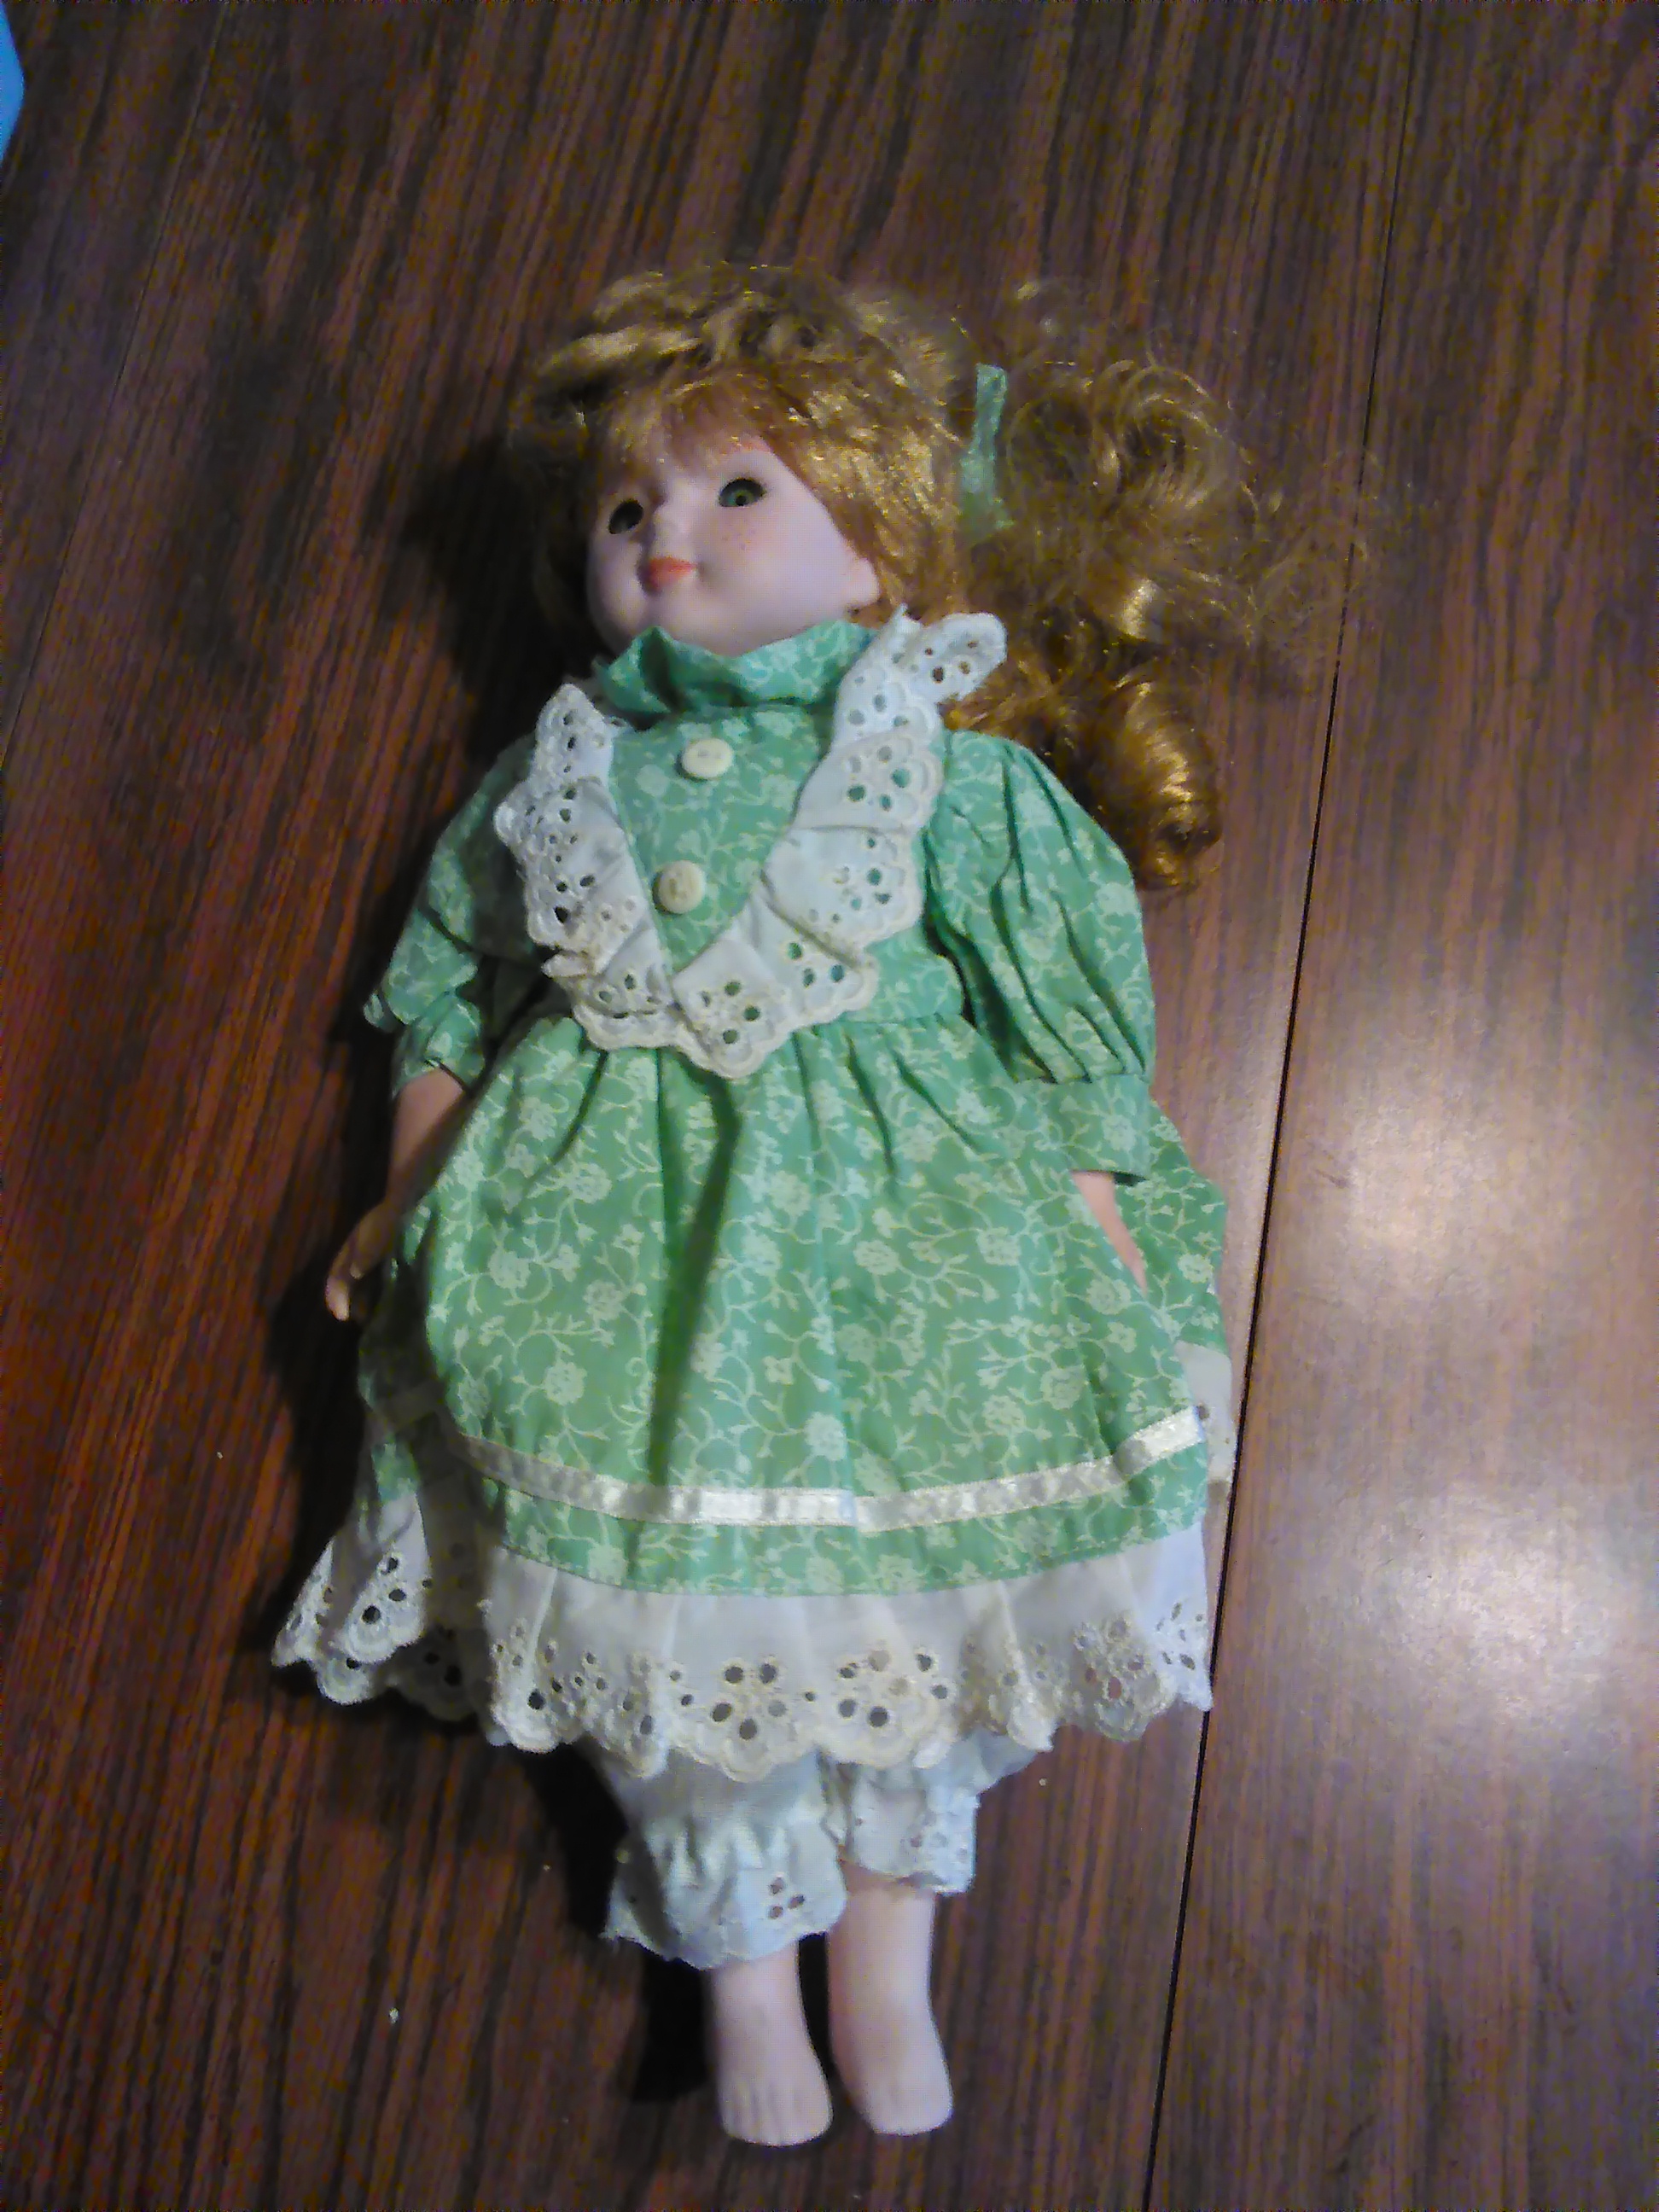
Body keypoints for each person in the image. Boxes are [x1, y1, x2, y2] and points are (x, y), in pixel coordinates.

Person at [276, 264, 1295, 2145]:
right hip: (613, 1265)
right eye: (626, 508)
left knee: (920, 1600)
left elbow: (1066, 1022)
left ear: (877, 555)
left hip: (912, 1257)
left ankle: (888, 1956)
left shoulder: (947, 773)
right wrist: (409, 1187)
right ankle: (743, 1959)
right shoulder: (554, 780)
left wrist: (1094, 1210)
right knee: (649, 1617)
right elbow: (446, 995)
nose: (665, 538)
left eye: (737, 491)